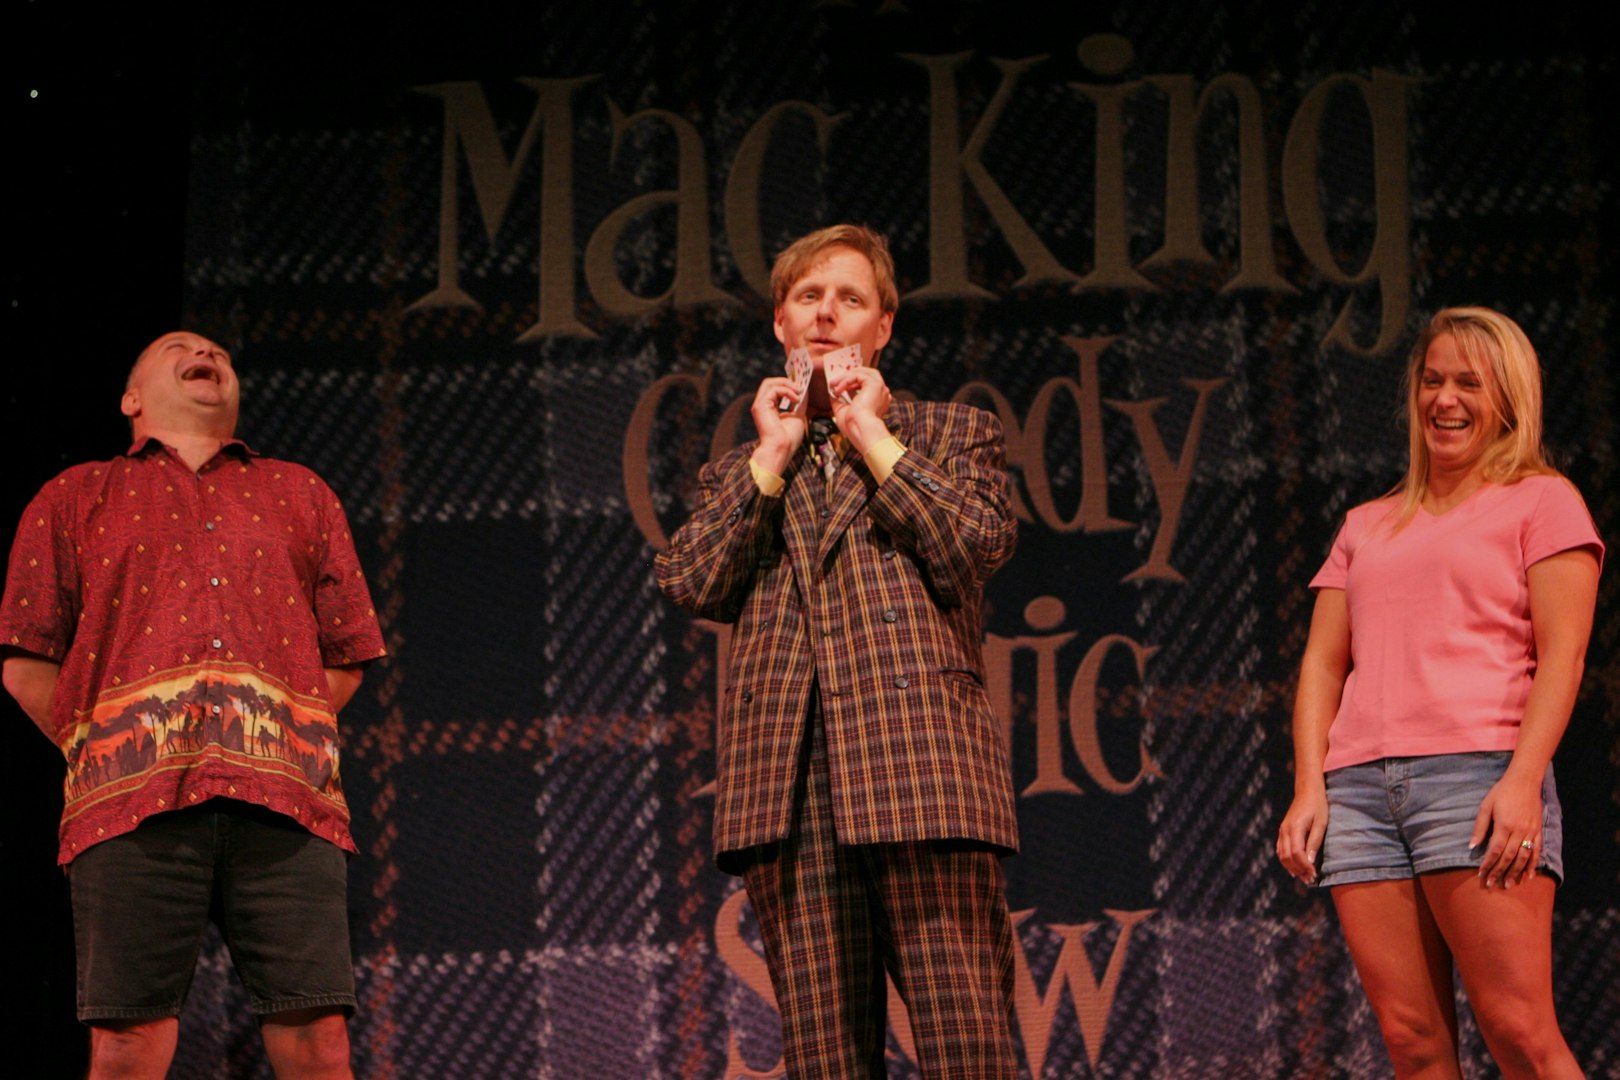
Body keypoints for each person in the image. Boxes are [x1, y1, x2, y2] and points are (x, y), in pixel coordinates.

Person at [655, 225, 1021, 1077]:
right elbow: (690, 580)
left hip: (921, 778)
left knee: (970, 1051)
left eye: (849, 299)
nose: (827, 315)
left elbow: (972, 546)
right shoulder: (746, 470)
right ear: (781, 323)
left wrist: (868, 434)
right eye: (809, 298)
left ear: (882, 327)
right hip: (790, 795)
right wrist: (774, 455)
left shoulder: (949, 434)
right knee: (827, 1063)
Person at [1, 331, 387, 1079]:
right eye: (178, 345)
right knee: (126, 1045)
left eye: (218, 350)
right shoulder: (73, 496)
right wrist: (108, 748)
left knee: (319, 1041)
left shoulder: (300, 492)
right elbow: (27, 664)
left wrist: (282, 735)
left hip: (285, 805)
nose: (204, 350)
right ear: (132, 397)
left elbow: (345, 656)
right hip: (130, 807)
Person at [1276, 307, 1600, 1079]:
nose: (1445, 400)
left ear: (1508, 401)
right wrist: (1308, 788)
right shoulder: (1367, 524)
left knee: (1518, 1030)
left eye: (1468, 383)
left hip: (1476, 779)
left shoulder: (1542, 500)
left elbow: (1565, 654)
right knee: (1413, 1043)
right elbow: (1323, 666)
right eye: (1432, 381)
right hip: (1358, 794)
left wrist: (1522, 782)